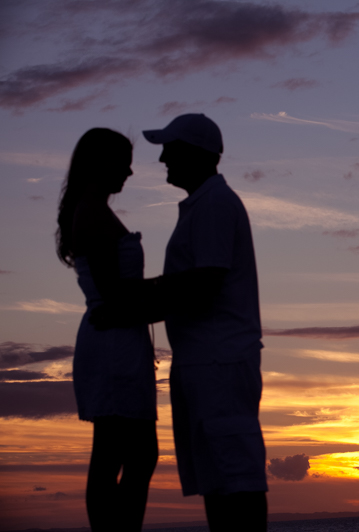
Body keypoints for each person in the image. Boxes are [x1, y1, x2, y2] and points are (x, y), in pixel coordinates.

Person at [142, 114, 268, 531]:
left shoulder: (213, 205)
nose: (163, 159)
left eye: (170, 149)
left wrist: (137, 301)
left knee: (236, 477)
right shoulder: (204, 204)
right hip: (207, 361)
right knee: (218, 477)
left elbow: (206, 281)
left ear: (195, 153)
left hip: (219, 361)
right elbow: (199, 283)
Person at [56, 128, 158, 532]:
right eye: (123, 164)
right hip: (113, 340)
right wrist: (177, 294)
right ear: (101, 164)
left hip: (120, 337)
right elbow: (114, 294)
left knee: (129, 453)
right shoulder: (92, 212)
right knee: (123, 453)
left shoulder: (94, 209)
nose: (130, 173)